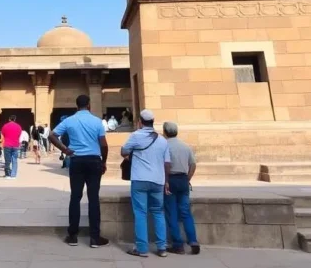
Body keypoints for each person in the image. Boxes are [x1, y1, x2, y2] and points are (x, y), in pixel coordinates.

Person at [51, 94, 109, 249]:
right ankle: (95, 238)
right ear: (89, 105)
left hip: (76, 160)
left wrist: (65, 149)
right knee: (93, 198)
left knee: (75, 197)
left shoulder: (69, 120)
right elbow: (103, 144)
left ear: (76, 106)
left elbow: (52, 135)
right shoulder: (97, 121)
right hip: (93, 160)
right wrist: (104, 161)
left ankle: (72, 236)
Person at [121, 109, 171, 258]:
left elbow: (124, 151)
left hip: (140, 179)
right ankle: (162, 247)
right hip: (158, 180)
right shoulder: (162, 140)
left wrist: (131, 155)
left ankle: (142, 248)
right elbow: (167, 163)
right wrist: (166, 181)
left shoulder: (136, 136)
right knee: (158, 212)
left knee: (141, 214)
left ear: (140, 122)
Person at [162, 121, 200, 255]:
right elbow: (193, 164)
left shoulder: (164, 146)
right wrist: (188, 178)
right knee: (185, 212)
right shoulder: (185, 146)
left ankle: (178, 244)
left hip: (170, 180)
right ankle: (193, 240)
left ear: (165, 132)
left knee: (171, 212)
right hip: (183, 179)